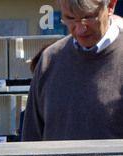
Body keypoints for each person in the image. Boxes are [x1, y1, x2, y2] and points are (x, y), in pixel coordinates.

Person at [22, 0, 123, 141]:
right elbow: (31, 140)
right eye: (70, 18)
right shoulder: (49, 60)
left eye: (89, 17)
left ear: (110, 6)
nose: (80, 29)